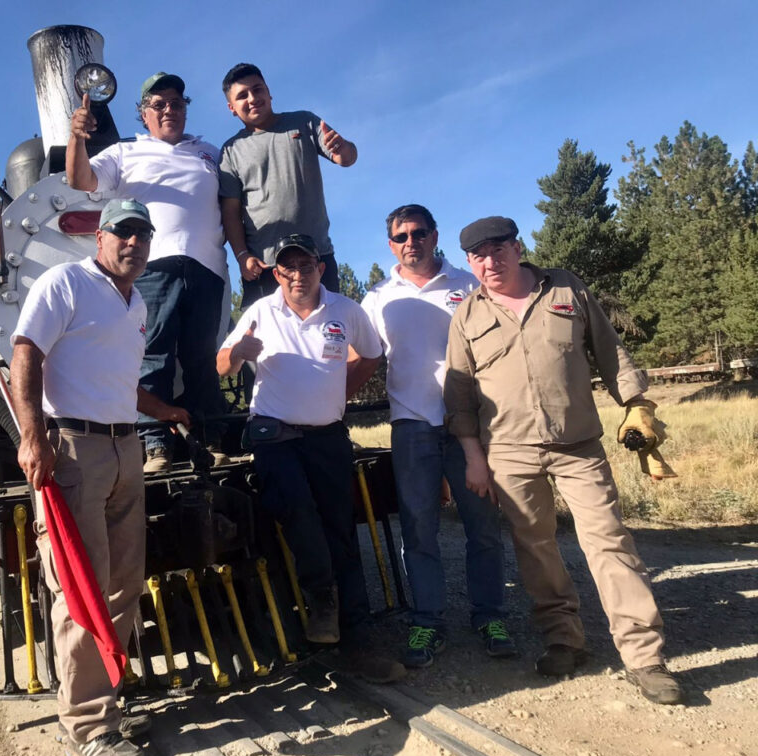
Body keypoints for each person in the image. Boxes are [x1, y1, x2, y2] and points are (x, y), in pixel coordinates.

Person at [443, 216, 683, 705]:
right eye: (478, 255)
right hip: (508, 451)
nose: (490, 261)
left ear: (517, 247)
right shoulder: (466, 315)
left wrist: (637, 404)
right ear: (469, 262)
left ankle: (644, 657)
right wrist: (473, 456)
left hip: (578, 445)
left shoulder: (565, 288)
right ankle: (563, 640)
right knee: (535, 547)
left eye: (498, 249)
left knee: (609, 541)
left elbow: (609, 351)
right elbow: (459, 395)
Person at [11, 198, 189, 756]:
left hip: (125, 447)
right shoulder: (66, 282)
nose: (134, 242)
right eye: (123, 231)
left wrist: (162, 410)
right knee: (80, 589)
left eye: (144, 234)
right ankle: (87, 726)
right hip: (72, 449)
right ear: (100, 237)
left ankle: (105, 701)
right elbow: (25, 353)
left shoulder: (136, 303)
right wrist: (33, 436)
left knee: (122, 584)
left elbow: (120, 380)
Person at [216, 233, 404, 684]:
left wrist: (339, 392)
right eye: (288, 267)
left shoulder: (346, 310)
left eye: (306, 265)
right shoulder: (260, 312)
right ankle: (321, 601)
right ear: (277, 274)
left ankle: (357, 641)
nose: (298, 274)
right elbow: (222, 364)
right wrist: (238, 354)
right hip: (275, 437)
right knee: (299, 514)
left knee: (341, 531)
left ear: (320, 268)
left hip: (328, 438)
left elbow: (371, 355)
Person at [361, 204, 515, 668]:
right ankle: (427, 621)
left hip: (470, 426)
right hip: (412, 427)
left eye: (419, 233)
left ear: (434, 236)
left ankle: (490, 616)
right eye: (401, 236)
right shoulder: (378, 299)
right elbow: (362, 357)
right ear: (391, 245)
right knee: (418, 532)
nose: (411, 242)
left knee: (483, 527)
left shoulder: (469, 285)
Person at [66, 72, 227, 473]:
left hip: (207, 268)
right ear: (143, 113)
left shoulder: (210, 153)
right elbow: (79, 180)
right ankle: (156, 447)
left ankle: (211, 441)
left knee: (202, 359)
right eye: (159, 104)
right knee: (152, 356)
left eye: (177, 102)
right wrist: (77, 137)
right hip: (153, 267)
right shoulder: (125, 152)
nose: (169, 109)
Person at [218, 63, 357, 308]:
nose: (252, 98)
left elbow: (347, 158)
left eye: (257, 89)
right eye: (242, 95)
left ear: (269, 92)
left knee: (328, 328)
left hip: (317, 258)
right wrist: (242, 256)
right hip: (264, 266)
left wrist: (343, 149)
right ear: (231, 108)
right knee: (264, 333)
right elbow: (230, 212)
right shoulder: (230, 151)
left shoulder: (304, 122)